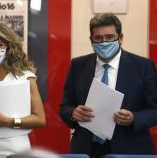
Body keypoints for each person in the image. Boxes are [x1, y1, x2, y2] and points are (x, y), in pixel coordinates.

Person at [60, 13, 157, 157]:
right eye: (98, 38)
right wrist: (73, 113)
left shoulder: (143, 67)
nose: (104, 42)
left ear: (121, 38)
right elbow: (65, 106)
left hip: (129, 148)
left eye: (110, 37)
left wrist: (134, 118)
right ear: (91, 40)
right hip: (87, 148)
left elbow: (154, 109)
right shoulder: (78, 65)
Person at [0, 23, 46, 157]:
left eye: (0, 44)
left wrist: (9, 121)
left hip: (16, 147)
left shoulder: (25, 77)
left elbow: (40, 119)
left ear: (9, 46)